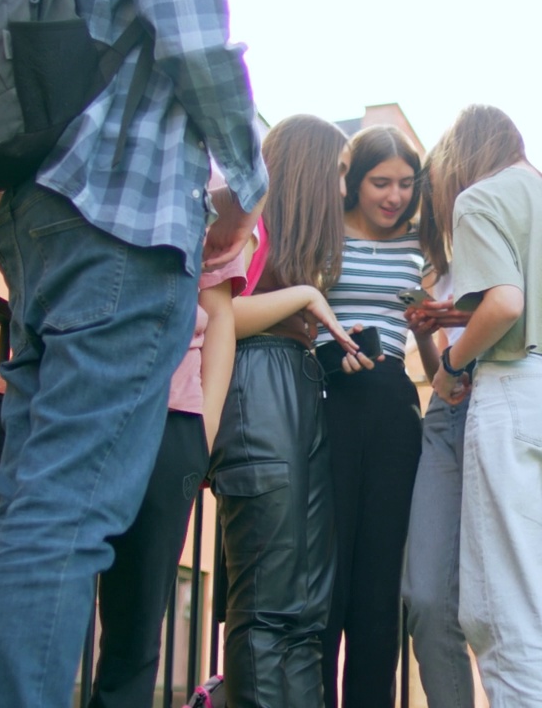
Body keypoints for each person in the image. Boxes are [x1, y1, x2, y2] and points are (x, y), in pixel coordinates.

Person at [0, 0, 267, 702]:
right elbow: (196, 44)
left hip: (38, 209)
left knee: (27, 507)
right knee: (66, 513)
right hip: (123, 220)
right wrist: (250, 181)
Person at [0, 163, 251, 707]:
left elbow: (219, 314)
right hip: (40, 387)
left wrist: (204, 432)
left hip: (167, 405)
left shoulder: (192, 157)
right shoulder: (45, 122)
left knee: (133, 624)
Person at [428, 104, 542, 707]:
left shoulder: (480, 198)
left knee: (508, 607)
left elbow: (506, 304)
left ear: (461, 155)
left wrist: (450, 367)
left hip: (515, 391)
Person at [208, 114, 358, 708]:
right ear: (310, 168)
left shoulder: (291, 247)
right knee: (271, 603)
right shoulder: (248, 217)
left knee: (306, 606)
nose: (343, 190)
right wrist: (305, 297)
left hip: (293, 389)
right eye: (340, 173)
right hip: (255, 385)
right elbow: (216, 314)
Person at [313, 125, 428, 708]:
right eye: (380, 182)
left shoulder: (418, 250)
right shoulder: (324, 235)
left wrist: (445, 371)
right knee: (327, 574)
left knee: (380, 585)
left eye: (406, 183)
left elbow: (421, 330)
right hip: (328, 399)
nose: (394, 196)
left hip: (391, 404)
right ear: (354, 183)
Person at [401, 153, 478, 708]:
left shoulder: (504, 246)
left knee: (503, 604)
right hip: (446, 419)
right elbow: (440, 380)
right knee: (424, 597)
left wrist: (454, 318)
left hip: (504, 413)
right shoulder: (435, 267)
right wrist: (425, 329)